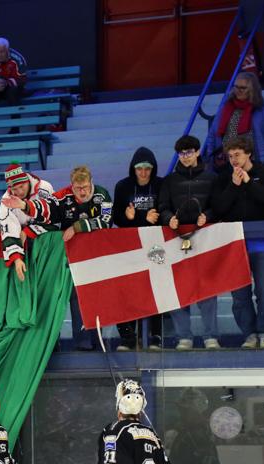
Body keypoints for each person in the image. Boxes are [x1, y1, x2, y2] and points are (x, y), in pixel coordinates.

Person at [11, 166, 112, 350]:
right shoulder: (63, 196)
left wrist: (76, 227)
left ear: (91, 183)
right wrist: (28, 223)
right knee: (72, 295)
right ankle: (77, 342)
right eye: (77, 188)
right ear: (71, 186)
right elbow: (47, 213)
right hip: (69, 255)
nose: (82, 192)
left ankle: (97, 340)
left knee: (93, 294)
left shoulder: (102, 195)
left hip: (96, 255)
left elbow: (106, 221)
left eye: (85, 187)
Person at [211, 136, 264, 349]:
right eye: (230, 156)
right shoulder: (223, 179)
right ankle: (249, 333)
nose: (233, 160)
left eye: (237, 155)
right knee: (239, 294)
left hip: (263, 239)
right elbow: (218, 208)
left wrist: (249, 183)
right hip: (234, 242)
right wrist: (233, 186)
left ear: (249, 153)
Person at [158, 135, 221, 350]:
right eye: (181, 153)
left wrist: (208, 216)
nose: (185, 157)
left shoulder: (212, 178)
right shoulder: (170, 180)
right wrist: (169, 219)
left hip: (204, 238)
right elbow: (163, 206)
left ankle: (211, 336)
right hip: (176, 239)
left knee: (207, 287)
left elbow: (218, 205)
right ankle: (184, 336)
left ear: (197, 152)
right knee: (178, 287)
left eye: (189, 152)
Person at [113, 147, 164, 350]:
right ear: (133, 169)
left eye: (147, 168)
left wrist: (139, 218)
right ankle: (128, 336)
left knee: (156, 290)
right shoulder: (123, 186)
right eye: (139, 168)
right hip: (130, 246)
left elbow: (163, 213)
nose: (143, 173)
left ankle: (155, 336)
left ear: (153, 169)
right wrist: (132, 218)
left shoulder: (161, 184)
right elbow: (116, 218)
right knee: (127, 290)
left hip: (155, 245)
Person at [203, 72, 264, 167]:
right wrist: (210, 158)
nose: (238, 90)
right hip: (227, 164)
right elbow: (212, 135)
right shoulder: (225, 108)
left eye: (243, 88)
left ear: (252, 90)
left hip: (256, 163)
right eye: (236, 87)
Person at [0, 162, 54, 282]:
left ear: (27, 180)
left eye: (22, 186)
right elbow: (9, 231)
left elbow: (54, 217)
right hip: (23, 242)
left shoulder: (45, 188)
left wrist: (28, 231)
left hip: (47, 239)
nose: (19, 192)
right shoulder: (6, 202)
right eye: (14, 189)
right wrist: (17, 259)